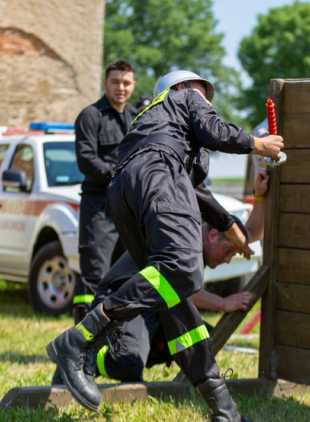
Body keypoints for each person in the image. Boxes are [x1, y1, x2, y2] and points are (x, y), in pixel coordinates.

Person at [46, 70, 283, 421]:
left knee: (179, 306)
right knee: (185, 271)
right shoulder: (184, 99)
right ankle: (80, 339)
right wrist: (257, 144)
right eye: (205, 95)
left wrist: (230, 223)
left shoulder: (153, 125)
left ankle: (226, 413)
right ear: (182, 87)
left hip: (124, 191)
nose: (208, 102)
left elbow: (198, 192)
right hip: (155, 175)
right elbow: (214, 131)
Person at [50, 166, 269, 384]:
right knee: (128, 365)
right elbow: (182, 290)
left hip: (155, 306)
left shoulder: (215, 236)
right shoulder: (184, 240)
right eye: (228, 251)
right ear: (212, 236)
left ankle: (146, 350)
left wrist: (258, 195)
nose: (228, 259)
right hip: (125, 301)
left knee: (205, 340)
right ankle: (79, 357)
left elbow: (251, 233)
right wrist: (223, 303)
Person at [72, 60, 137, 322]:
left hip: (128, 209)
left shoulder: (137, 116)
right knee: (95, 274)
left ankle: (110, 345)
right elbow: (86, 160)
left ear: (133, 85)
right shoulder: (91, 115)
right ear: (104, 83)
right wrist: (121, 175)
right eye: (115, 82)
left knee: (125, 275)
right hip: (99, 206)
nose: (120, 88)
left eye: (126, 83)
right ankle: (79, 342)